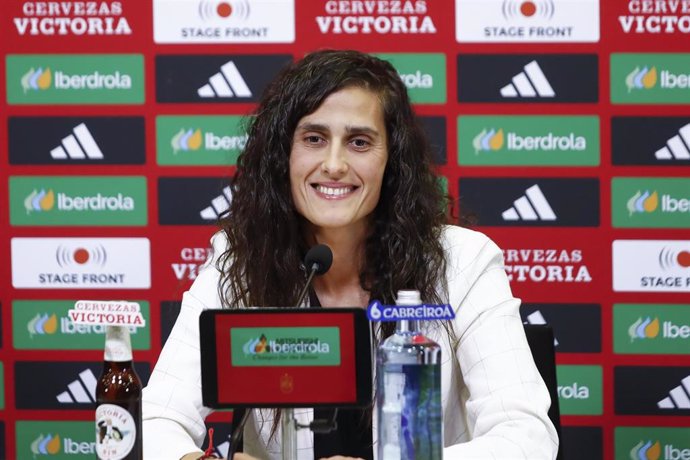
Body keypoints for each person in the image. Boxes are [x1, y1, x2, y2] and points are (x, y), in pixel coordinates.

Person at [142, 49, 559, 460]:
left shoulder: (461, 261)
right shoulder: (241, 260)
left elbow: (526, 438)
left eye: (359, 142)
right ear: (282, 155)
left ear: (391, 160)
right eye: (314, 139)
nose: (335, 164)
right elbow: (155, 420)